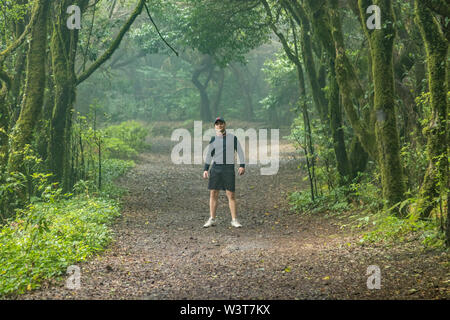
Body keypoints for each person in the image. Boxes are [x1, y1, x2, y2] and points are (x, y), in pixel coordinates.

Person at [202, 117, 245, 228]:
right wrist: (205, 169)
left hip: (228, 169)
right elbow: (209, 155)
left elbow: (240, 151)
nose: (219, 126)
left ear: (225, 125)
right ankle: (212, 218)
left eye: (221, 124)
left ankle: (234, 220)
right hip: (216, 168)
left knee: (230, 194)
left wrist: (242, 166)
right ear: (215, 127)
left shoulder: (232, 138)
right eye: (217, 124)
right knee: (213, 193)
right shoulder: (213, 139)